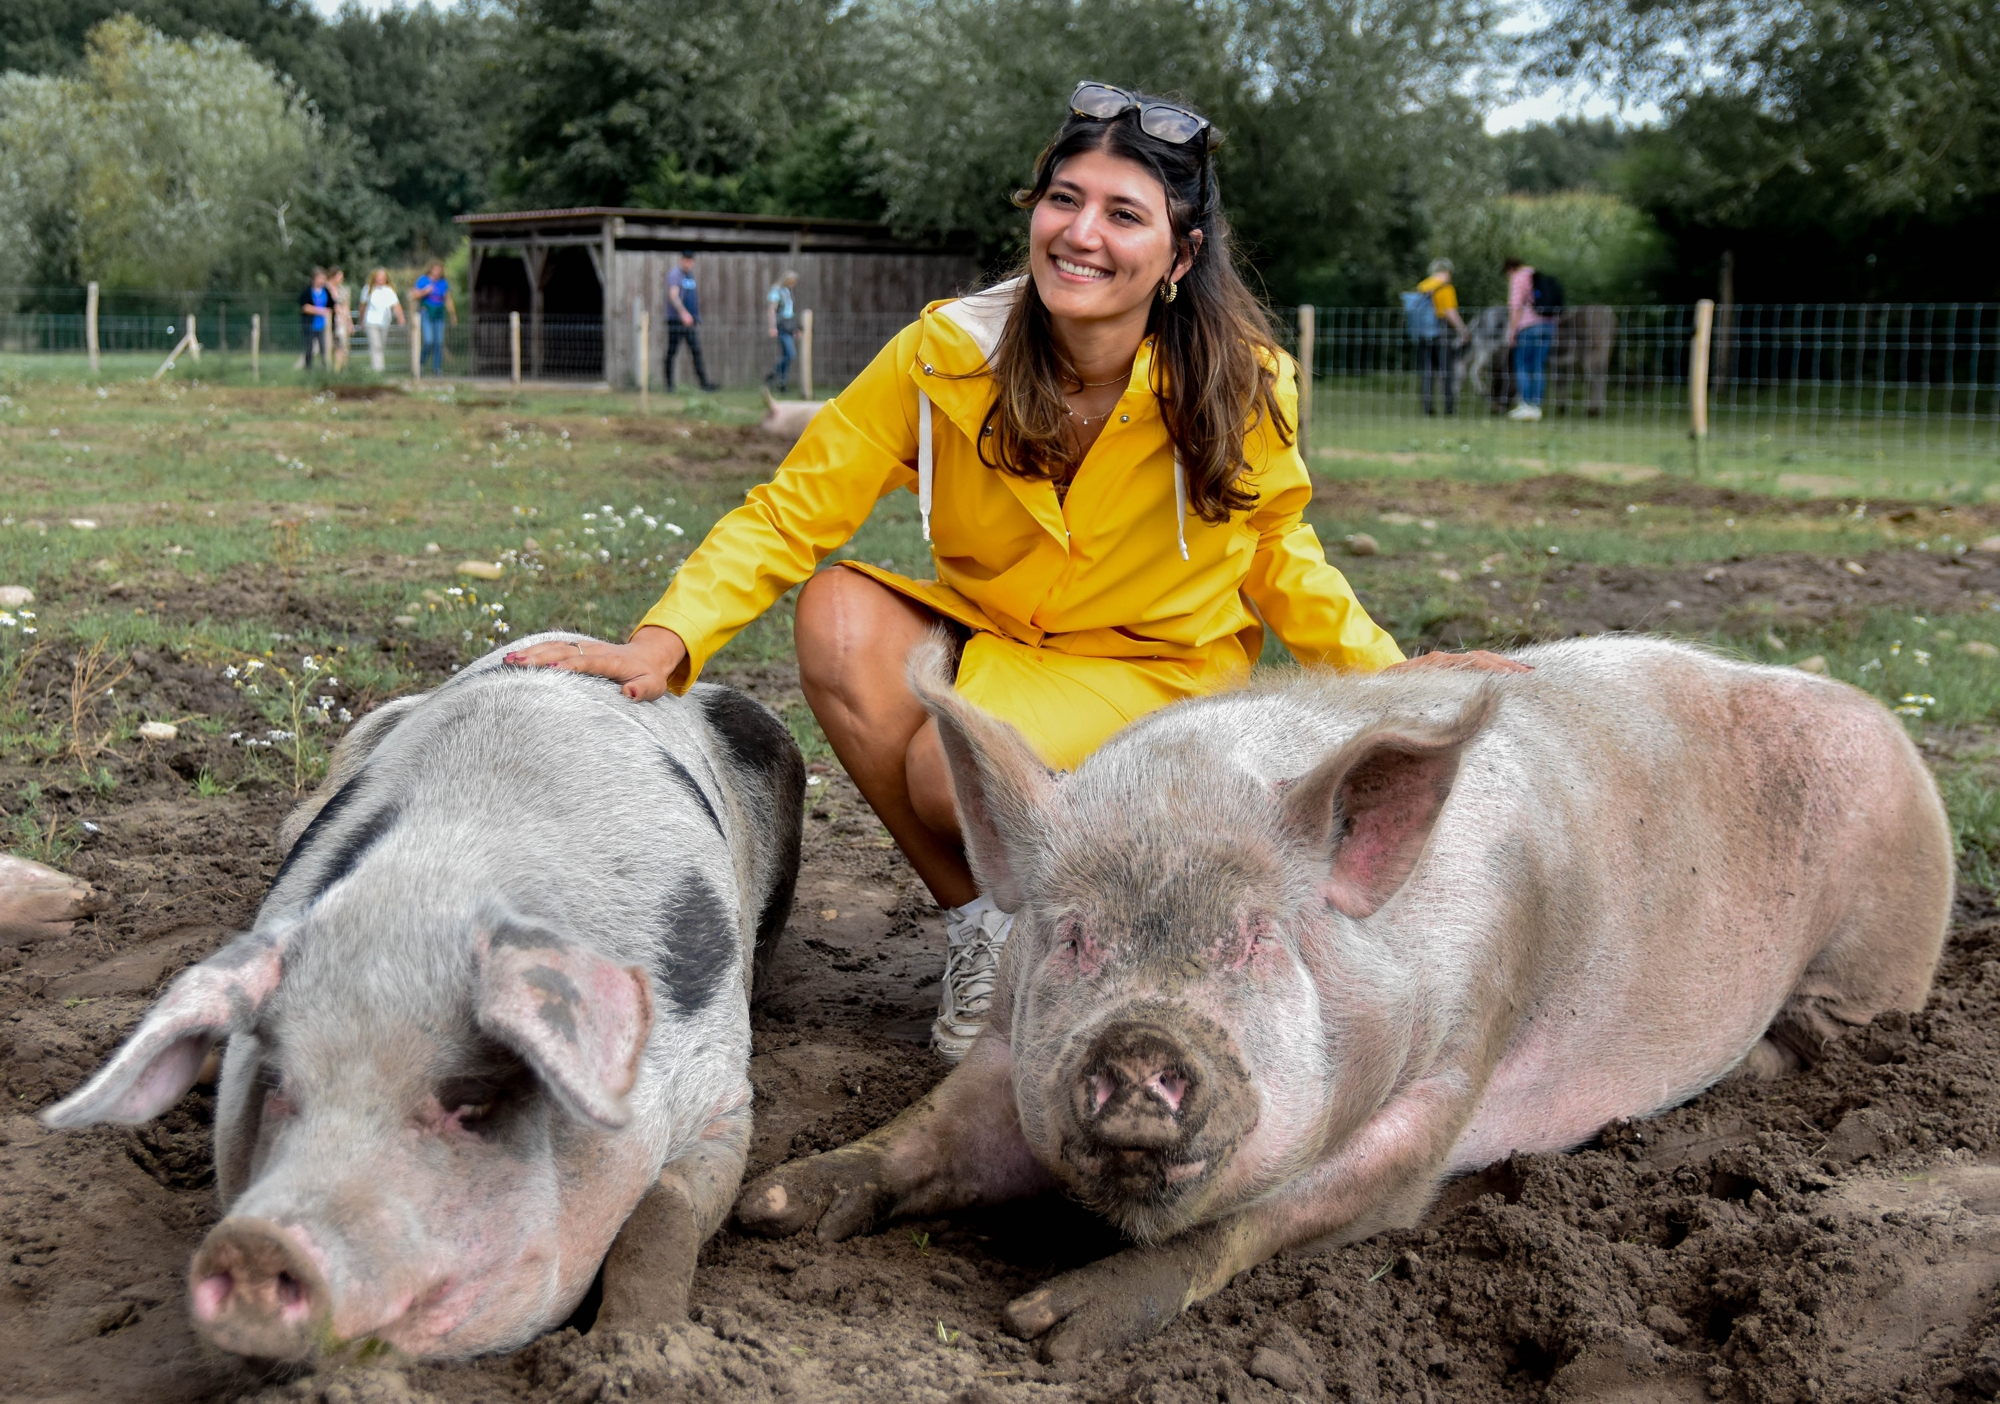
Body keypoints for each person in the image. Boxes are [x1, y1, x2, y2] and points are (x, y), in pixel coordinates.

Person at [505, 81, 1523, 1061]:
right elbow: (791, 508)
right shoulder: (943, 355)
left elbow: (1278, 554)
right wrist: (664, 636)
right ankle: (987, 933)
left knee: (936, 769)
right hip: (1005, 646)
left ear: (1180, 254)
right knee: (838, 616)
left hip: (1156, 671)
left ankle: (1038, 927)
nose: (1081, 233)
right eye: (1063, 199)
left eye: (1124, 214)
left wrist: (1389, 675)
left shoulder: (1242, 384)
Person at [1410, 257, 1470, 416]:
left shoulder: (1423, 286)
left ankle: (1427, 408)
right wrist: (1463, 331)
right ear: (1446, 271)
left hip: (1423, 333)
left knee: (1427, 371)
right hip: (1441, 332)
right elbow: (1450, 312)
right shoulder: (1446, 288)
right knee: (1446, 371)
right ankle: (1449, 408)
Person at [1505, 256, 1553, 421]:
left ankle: (1525, 405)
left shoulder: (1518, 277)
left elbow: (1516, 306)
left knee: (1522, 366)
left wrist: (1512, 331)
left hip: (1528, 327)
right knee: (1539, 366)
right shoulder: (1538, 276)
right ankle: (1537, 408)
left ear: (1510, 269)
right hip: (1548, 325)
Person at [664, 252, 720, 392]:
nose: (688, 263)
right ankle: (670, 386)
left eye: (691, 261)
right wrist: (683, 313)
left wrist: (694, 316)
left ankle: (704, 384)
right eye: (686, 260)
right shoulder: (675, 274)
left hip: (690, 322)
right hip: (677, 321)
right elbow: (673, 295)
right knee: (672, 352)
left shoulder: (690, 276)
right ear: (681, 260)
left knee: (696, 351)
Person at [413, 262, 456, 377]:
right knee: (429, 340)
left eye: (439, 270)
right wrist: (425, 291)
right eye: (435, 270)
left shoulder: (443, 283)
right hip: (426, 312)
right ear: (430, 270)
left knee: (439, 342)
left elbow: (448, 299)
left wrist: (452, 314)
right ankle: (420, 364)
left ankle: (436, 368)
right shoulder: (423, 280)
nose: (437, 272)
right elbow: (414, 295)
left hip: (439, 314)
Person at [361, 268, 405, 373]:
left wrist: (401, 317)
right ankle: (378, 369)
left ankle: (379, 367)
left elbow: (396, 305)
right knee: (376, 345)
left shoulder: (389, 291)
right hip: (371, 321)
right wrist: (361, 319)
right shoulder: (368, 289)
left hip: (384, 322)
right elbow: (363, 305)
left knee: (381, 345)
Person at [765, 269, 800, 393]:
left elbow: (790, 312)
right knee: (790, 354)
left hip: (789, 327)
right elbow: (771, 310)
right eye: (792, 281)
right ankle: (773, 374)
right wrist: (772, 327)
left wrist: (796, 328)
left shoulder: (787, 291)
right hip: (782, 327)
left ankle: (782, 383)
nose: (793, 284)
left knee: (787, 356)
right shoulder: (776, 291)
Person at [298, 268, 330, 370]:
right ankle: (308, 369)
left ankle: (324, 368)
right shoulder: (307, 292)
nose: (322, 281)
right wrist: (321, 311)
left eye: (324, 279)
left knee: (324, 348)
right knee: (309, 348)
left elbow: (332, 306)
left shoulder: (326, 292)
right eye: (320, 278)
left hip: (323, 325)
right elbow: (305, 307)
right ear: (314, 279)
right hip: (310, 324)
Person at [327, 268, 353, 373]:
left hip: (340, 322)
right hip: (328, 321)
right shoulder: (326, 289)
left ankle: (338, 369)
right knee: (327, 346)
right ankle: (326, 368)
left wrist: (349, 323)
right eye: (339, 276)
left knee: (341, 345)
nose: (341, 279)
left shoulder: (342, 290)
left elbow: (346, 307)